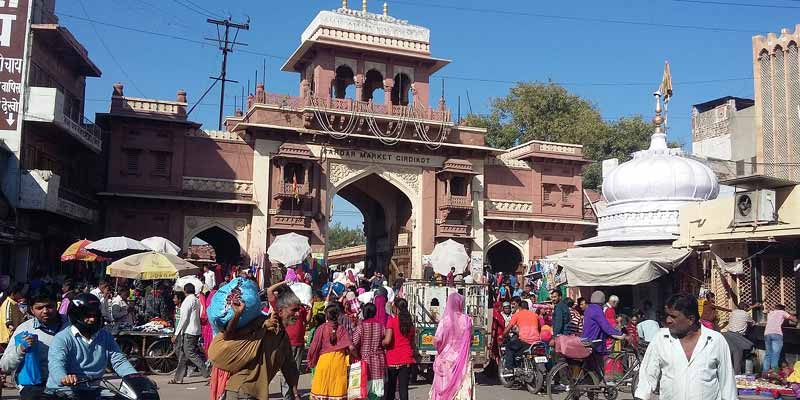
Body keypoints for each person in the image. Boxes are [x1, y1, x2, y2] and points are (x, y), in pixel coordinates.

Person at [635, 293, 737, 400]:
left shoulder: (715, 340)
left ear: (690, 319)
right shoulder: (661, 339)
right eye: (667, 315)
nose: (668, 320)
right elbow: (647, 376)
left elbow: (727, 383)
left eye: (673, 316)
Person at [208, 287, 303, 400]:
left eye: (299, 310)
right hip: (241, 392)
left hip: (256, 394)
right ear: (281, 311)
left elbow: (289, 369)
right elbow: (229, 336)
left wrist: (296, 395)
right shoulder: (261, 323)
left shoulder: (283, 337)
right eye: (294, 310)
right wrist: (237, 314)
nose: (298, 314)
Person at [46, 293, 139, 396]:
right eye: (87, 316)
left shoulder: (105, 336)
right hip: (63, 391)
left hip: (93, 390)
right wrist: (63, 378)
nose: (92, 320)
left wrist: (136, 379)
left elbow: (119, 361)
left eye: (95, 315)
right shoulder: (62, 338)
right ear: (76, 315)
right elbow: (56, 364)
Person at [0, 291, 70, 399]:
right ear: (32, 310)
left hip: (67, 384)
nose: (45, 311)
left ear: (57, 306)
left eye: (49, 306)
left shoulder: (71, 325)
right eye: (40, 308)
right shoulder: (24, 329)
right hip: (35, 387)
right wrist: (21, 349)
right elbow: (4, 365)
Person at [430, 292, 474, 400]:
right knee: (461, 388)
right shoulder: (468, 320)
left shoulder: (445, 321)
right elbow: (471, 340)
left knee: (445, 388)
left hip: (446, 361)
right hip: (463, 361)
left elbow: (437, 340)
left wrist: (438, 344)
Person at [308, 304, 355, 400]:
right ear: (338, 315)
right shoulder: (342, 329)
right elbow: (351, 347)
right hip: (339, 362)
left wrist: (311, 361)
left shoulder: (321, 328)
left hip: (324, 362)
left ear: (326, 316)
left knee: (322, 390)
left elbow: (314, 347)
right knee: (336, 391)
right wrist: (356, 356)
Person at [170, 283, 209, 384]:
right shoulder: (196, 300)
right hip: (195, 330)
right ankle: (178, 378)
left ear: (185, 291)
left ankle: (208, 371)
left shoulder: (187, 301)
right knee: (183, 356)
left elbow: (183, 318)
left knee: (190, 353)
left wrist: (176, 334)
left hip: (189, 331)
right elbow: (200, 314)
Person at [353, 303, 388, 399]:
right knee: (377, 388)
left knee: (365, 387)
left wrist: (356, 356)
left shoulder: (361, 327)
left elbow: (354, 343)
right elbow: (386, 341)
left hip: (365, 360)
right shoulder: (381, 326)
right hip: (379, 359)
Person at [384, 298, 416, 400]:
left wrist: (381, 343)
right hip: (406, 358)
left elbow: (387, 341)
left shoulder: (392, 321)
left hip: (392, 359)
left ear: (396, 308)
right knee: (403, 390)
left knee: (391, 390)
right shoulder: (409, 324)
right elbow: (412, 343)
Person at [280, 297, 308, 400]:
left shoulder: (302, 309)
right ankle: (286, 395)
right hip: (286, 343)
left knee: (296, 370)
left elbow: (306, 320)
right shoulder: (284, 309)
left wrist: (311, 307)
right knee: (286, 370)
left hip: (299, 342)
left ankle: (293, 393)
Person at [502, 299, 540, 373]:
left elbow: (509, 327)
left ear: (519, 308)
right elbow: (539, 328)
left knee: (509, 346)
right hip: (536, 342)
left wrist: (503, 335)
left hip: (524, 341)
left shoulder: (517, 315)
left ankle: (509, 368)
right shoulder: (535, 315)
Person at [582, 291, 625, 355]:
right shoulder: (597, 310)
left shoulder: (589, 309)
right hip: (594, 341)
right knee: (599, 362)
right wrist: (620, 334)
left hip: (586, 339)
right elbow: (605, 326)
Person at [722, 302, 759, 374]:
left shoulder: (734, 312)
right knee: (738, 354)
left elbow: (745, 310)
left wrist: (754, 306)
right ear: (745, 308)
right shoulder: (746, 314)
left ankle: (729, 372)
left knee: (730, 354)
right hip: (737, 336)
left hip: (727, 334)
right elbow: (752, 324)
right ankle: (737, 374)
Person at [764, 303, 797, 371]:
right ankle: (774, 372)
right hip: (777, 334)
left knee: (768, 354)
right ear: (782, 309)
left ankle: (764, 373)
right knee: (775, 355)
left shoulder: (770, 313)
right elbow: (794, 320)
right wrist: (791, 316)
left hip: (767, 334)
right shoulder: (782, 312)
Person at [0, 284, 26, 349]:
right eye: (19, 293)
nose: (21, 295)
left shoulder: (15, 304)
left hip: (13, 334)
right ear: (13, 293)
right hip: (7, 335)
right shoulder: (8, 303)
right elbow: (7, 318)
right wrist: (12, 328)